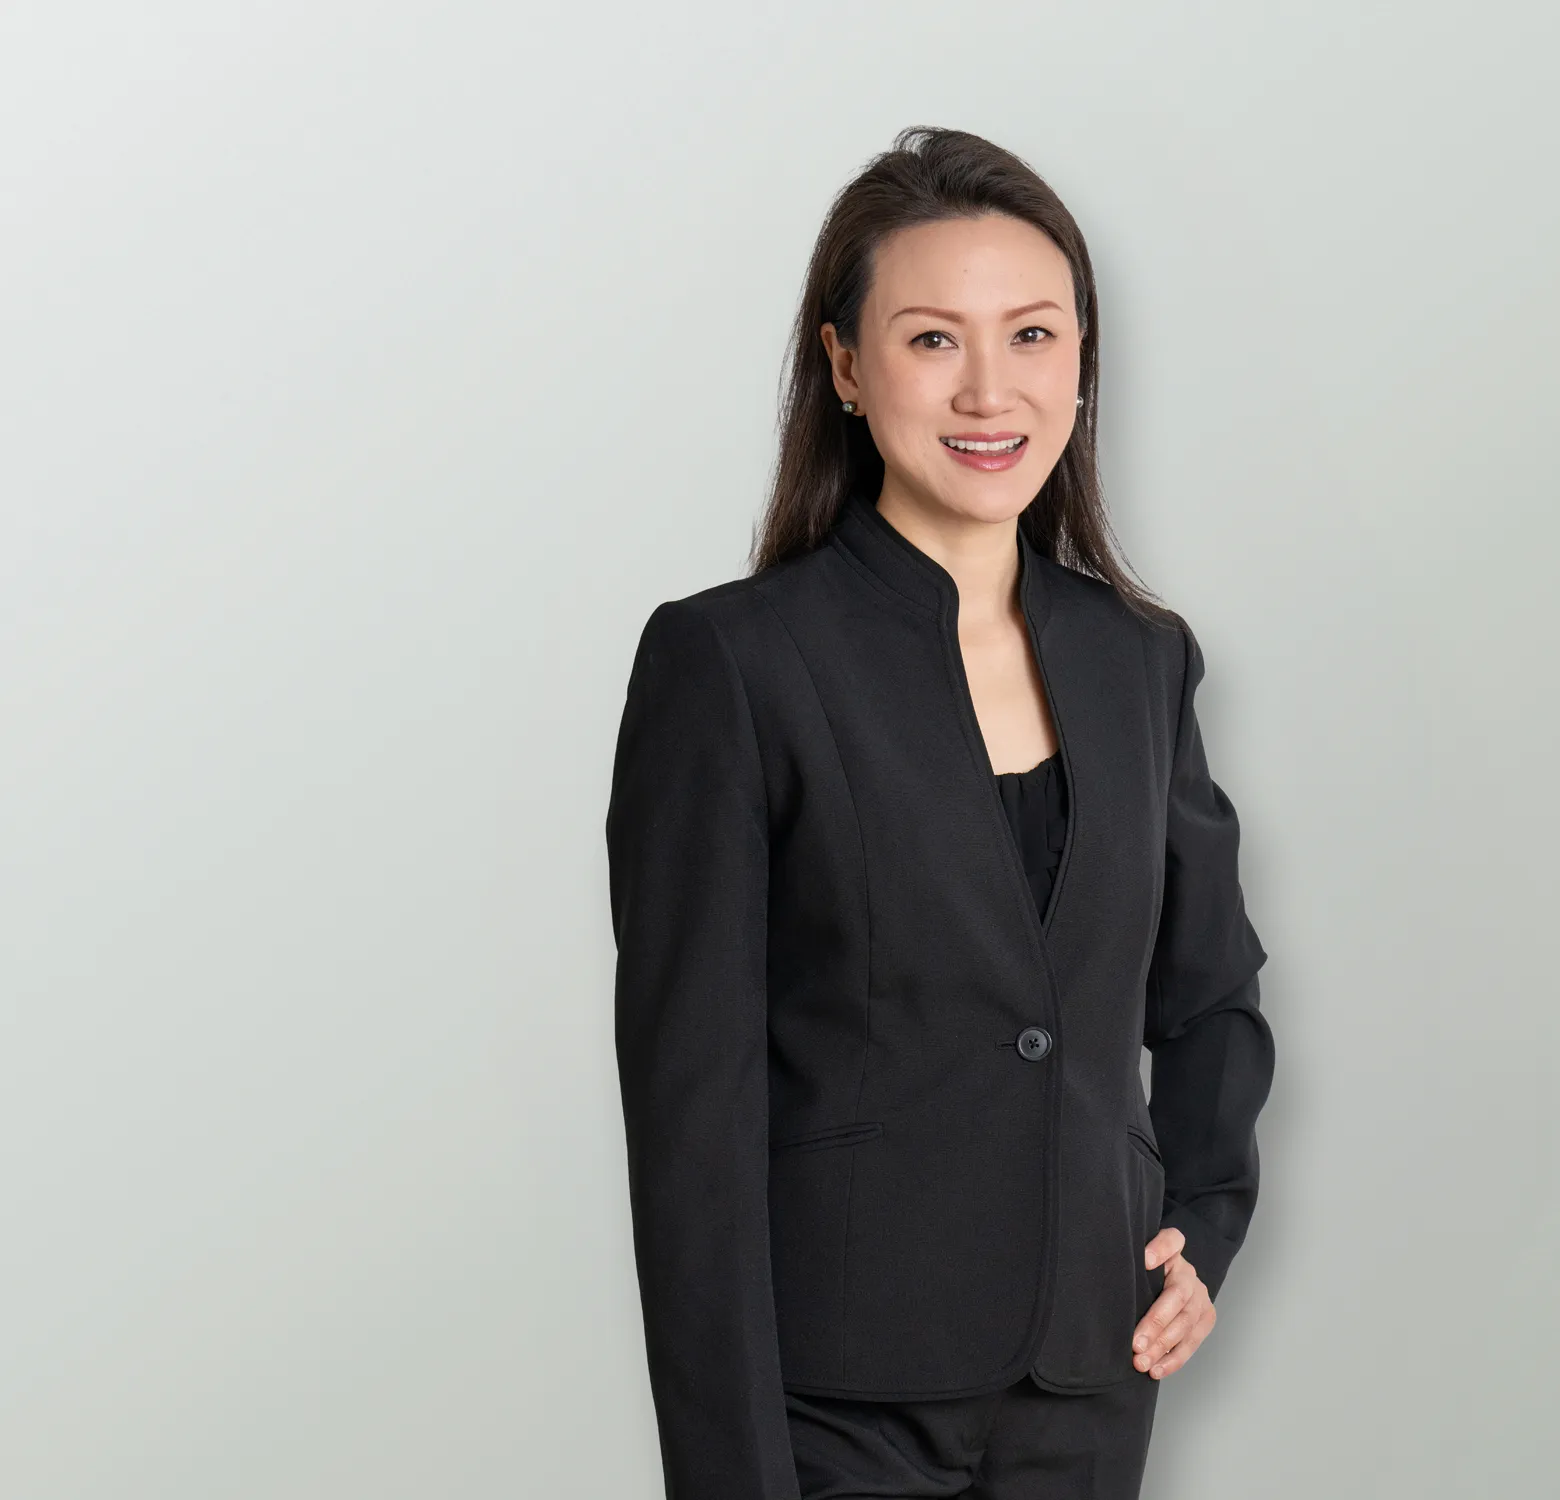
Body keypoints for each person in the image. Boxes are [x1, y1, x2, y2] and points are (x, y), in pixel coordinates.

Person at [604, 125, 1275, 1500]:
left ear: (1081, 361)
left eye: (1033, 335)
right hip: (831, 1403)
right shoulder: (731, 663)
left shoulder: (1140, 660)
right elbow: (692, 1125)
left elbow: (1210, 992)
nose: (989, 389)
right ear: (846, 368)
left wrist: (1199, 1224)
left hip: (1088, 1384)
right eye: (930, 340)